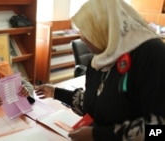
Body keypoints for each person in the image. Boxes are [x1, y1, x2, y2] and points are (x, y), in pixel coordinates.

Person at [35, 0, 165, 140]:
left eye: (87, 32)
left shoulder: (152, 54)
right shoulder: (100, 59)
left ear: (105, 28)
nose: (82, 38)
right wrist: (55, 92)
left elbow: (158, 131)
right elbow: (97, 104)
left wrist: (97, 135)